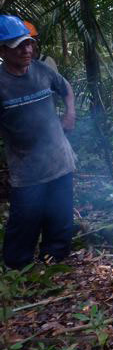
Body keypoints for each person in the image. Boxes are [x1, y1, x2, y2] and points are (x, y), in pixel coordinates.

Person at [0, 15, 76, 269]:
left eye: (29, 43)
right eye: (19, 46)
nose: (27, 50)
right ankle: (17, 267)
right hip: (26, 168)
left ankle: (55, 257)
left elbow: (65, 87)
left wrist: (70, 113)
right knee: (25, 219)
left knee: (60, 216)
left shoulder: (41, 70)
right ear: (2, 50)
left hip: (59, 160)